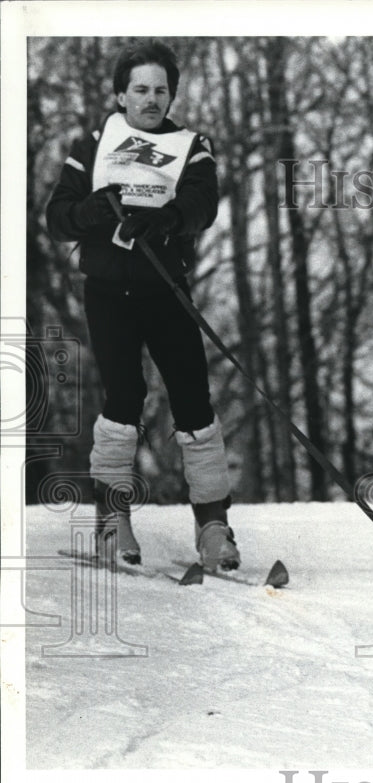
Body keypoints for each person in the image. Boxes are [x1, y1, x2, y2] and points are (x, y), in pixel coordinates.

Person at [45, 40, 239, 571]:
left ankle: (214, 526)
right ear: (120, 94)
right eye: (141, 89)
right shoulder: (94, 143)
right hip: (108, 293)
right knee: (124, 396)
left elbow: (203, 203)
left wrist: (168, 218)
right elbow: (57, 217)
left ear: (171, 95)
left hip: (165, 290)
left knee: (193, 400)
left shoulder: (190, 145)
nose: (151, 99)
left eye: (160, 90)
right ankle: (112, 518)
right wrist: (96, 211)